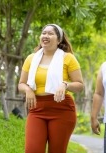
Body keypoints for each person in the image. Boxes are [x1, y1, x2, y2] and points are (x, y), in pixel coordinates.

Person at [18, 24, 84, 153]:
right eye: (44, 33)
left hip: (62, 109)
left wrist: (66, 85)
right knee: (32, 150)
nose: (45, 36)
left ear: (59, 40)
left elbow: (80, 85)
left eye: (50, 33)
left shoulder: (68, 58)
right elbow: (21, 84)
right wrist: (28, 90)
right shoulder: (31, 59)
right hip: (37, 109)